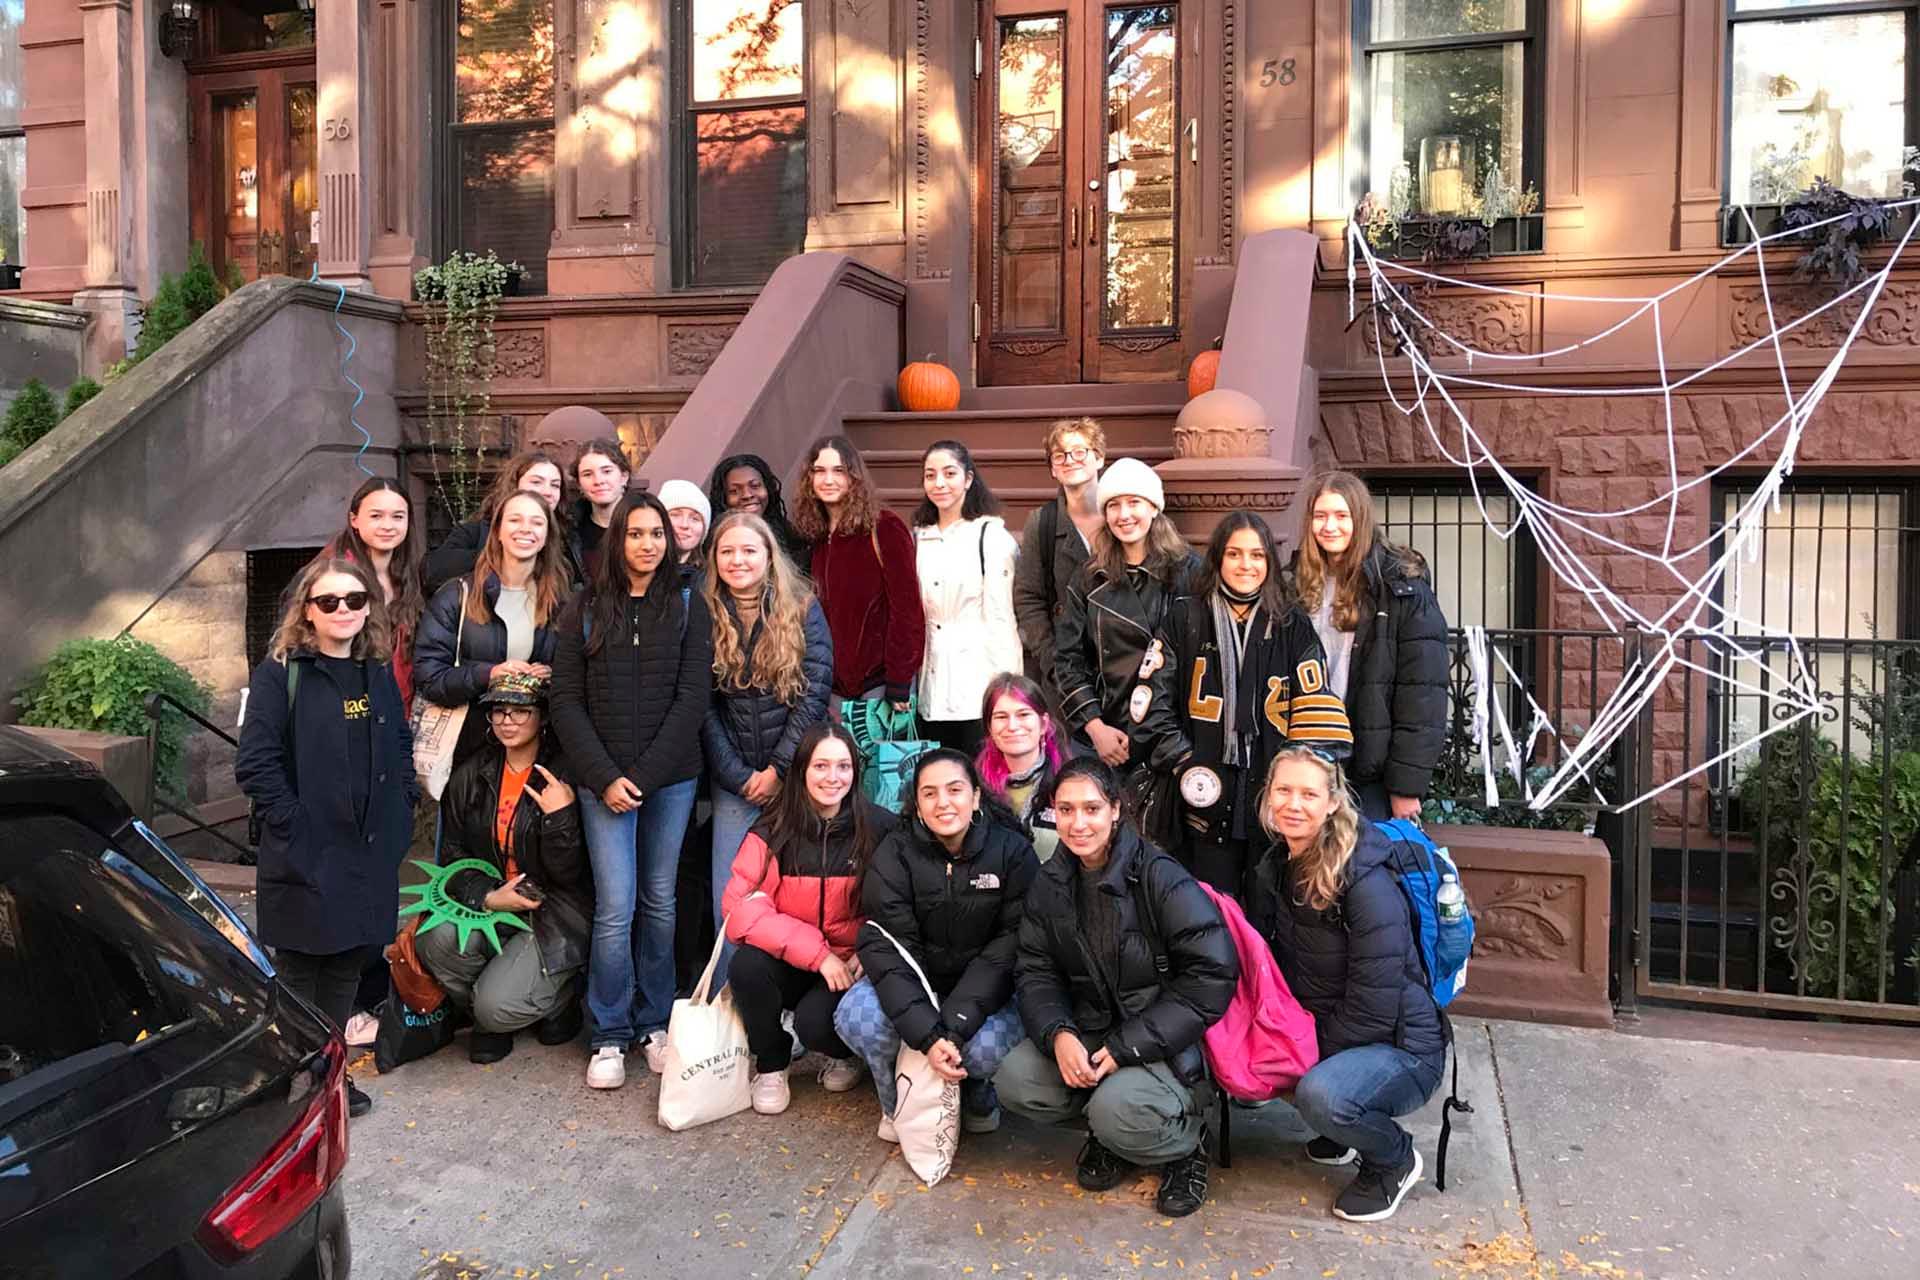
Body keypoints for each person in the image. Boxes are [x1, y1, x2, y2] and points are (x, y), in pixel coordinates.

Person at [997, 757, 1237, 1218]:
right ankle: (1110, 1132)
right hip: (1093, 1028)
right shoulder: (1051, 881)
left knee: (1116, 1109)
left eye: (1091, 808)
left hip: (1167, 1039)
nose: (1078, 823)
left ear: (1115, 809)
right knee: (1017, 1078)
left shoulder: (1158, 875)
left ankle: (1184, 1146)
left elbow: (1212, 976)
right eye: (1066, 810)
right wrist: (1058, 1033)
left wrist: (1129, 1046)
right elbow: (1035, 969)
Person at [235, 557, 415, 1119]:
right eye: (329, 601)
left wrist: (402, 806)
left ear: (369, 608)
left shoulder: (376, 671)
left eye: (355, 600)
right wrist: (294, 823)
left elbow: (400, 749)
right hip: (308, 848)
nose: (343, 611)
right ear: (307, 611)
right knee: (299, 969)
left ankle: (328, 1073)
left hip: (368, 849)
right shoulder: (281, 674)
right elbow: (256, 762)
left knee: (347, 964)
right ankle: (288, 1074)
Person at [550, 491, 715, 1090]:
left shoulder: (689, 605)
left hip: (669, 781)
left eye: (657, 535)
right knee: (615, 908)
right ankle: (609, 1033)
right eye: (636, 534)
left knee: (661, 901)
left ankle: (654, 1022)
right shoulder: (586, 608)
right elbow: (565, 699)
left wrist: (642, 778)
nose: (647, 545)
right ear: (617, 541)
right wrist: (604, 777)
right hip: (603, 783)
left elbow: (693, 697)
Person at [1243, 746, 1447, 1223]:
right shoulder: (1280, 862)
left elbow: (1374, 1006)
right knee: (1268, 1066)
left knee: (1321, 1094)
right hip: (1347, 1035)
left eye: (1309, 794)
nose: (1294, 804)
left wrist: (1302, 1054)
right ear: (1268, 797)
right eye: (1284, 791)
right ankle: (1339, 1130)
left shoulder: (1364, 879)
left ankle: (1392, 1158)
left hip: (1405, 1048)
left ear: (1333, 802)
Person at [1135, 512, 1356, 897]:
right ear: (1218, 558)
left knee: (1269, 907)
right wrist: (1185, 761)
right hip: (1202, 790)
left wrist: (1292, 782)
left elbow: (1315, 705)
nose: (1246, 565)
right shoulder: (1184, 617)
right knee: (1209, 907)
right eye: (1234, 554)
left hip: (1270, 791)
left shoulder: (1291, 624)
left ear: (1269, 562)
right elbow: (1149, 703)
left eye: (1257, 555)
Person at [833, 749, 1037, 1141]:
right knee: (861, 1020)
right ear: (917, 804)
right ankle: (896, 1099)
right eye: (929, 794)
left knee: (982, 1049)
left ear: (976, 796)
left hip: (986, 992)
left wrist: (955, 1027)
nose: (943, 802)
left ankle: (977, 1090)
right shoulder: (894, 852)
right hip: (916, 981)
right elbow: (888, 947)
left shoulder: (1012, 852)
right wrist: (927, 1034)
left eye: (955, 789)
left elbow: (1010, 947)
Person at [414, 670, 591, 1063]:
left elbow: (574, 875)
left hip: (550, 914)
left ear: (542, 717)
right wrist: (489, 897)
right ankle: (497, 1009)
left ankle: (549, 1002)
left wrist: (560, 819)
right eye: (498, 712)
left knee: (495, 1007)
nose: (507, 721)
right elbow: (454, 857)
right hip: (495, 902)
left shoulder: (566, 774)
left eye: (520, 711)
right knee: (435, 938)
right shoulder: (471, 775)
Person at [721, 723, 897, 1114]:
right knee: (747, 966)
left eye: (843, 766)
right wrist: (817, 956)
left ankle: (843, 1054)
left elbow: (898, 906)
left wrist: (868, 951)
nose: (832, 778)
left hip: (850, 963)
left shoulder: (880, 827)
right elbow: (740, 907)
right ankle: (771, 1063)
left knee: (815, 1025)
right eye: (821, 766)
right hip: (799, 958)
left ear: (855, 771)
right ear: (801, 770)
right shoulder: (773, 826)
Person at [701, 511, 833, 986]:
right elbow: (702, 705)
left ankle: (794, 1006)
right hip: (734, 779)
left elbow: (814, 693)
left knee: (798, 895)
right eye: (727, 551)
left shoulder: (801, 607)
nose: (738, 560)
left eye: (748, 550)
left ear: (768, 555)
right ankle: (728, 1005)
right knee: (731, 897)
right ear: (714, 559)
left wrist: (778, 768)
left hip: (795, 776)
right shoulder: (703, 611)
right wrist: (737, 774)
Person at [1286, 471, 1448, 822]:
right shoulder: (1294, 583)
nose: (1330, 526)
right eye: (1320, 516)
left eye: (1341, 516)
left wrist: (1405, 786)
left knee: (1365, 871)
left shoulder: (1401, 587)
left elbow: (1422, 695)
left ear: (1360, 519)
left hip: (1368, 768)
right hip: (1305, 757)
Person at [1053, 458, 1202, 768]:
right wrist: (1095, 728)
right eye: (1113, 505)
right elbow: (1068, 659)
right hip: (1108, 735)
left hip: (1174, 735)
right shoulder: (1088, 578)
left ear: (1154, 507)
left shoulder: (1190, 571)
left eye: (1134, 502)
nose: (1124, 515)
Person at [413, 490, 570, 765]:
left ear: (547, 535)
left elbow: (583, 673)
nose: (525, 529)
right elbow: (429, 677)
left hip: (540, 751)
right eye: (515, 520)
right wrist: (489, 674)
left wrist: (552, 675)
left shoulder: (563, 600)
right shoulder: (457, 595)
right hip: (469, 749)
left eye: (536, 522)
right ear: (497, 530)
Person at [792, 435, 925, 710]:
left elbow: (907, 609)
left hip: (878, 684)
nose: (828, 480)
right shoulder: (813, 535)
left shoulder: (884, 528)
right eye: (819, 471)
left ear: (854, 476)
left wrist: (900, 678)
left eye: (838, 471)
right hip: (830, 685)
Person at [912, 439, 1022, 754]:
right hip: (930, 681)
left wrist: (1008, 688)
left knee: (981, 774)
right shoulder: (918, 537)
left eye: (949, 473)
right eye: (930, 475)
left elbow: (1001, 618)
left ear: (968, 479)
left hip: (978, 681)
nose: (939, 483)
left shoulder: (990, 537)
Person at [1013, 417, 1106, 709]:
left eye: (1080, 451)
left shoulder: (1125, 516)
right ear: (1053, 468)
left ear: (1099, 457)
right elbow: (1029, 598)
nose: (1070, 460)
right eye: (1060, 455)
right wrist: (1053, 661)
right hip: (1065, 672)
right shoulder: (1042, 523)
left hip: (1124, 668)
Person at [423, 449, 582, 592]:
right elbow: (434, 571)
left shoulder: (569, 537)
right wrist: (503, 554)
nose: (548, 492)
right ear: (514, 486)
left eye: (555, 485)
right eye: (536, 482)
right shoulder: (475, 532)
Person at [976, 672, 1066, 863]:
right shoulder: (973, 787)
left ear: (1043, 724)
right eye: (1001, 717)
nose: (1013, 726)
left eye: (1023, 714)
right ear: (989, 728)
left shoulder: (1070, 782)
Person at [707, 451, 811, 571]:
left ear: (768, 488)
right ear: (723, 499)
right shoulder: (715, 545)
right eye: (734, 491)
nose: (747, 495)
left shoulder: (790, 537)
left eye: (755, 486)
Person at [573, 437, 632, 580]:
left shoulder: (647, 523)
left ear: (624, 477)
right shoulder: (571, 533)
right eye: (587, 474)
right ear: (579, 484)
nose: (598, 481)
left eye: (606, 471)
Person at [659, 478, 712, 581]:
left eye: (695, 519)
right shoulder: (642, 575)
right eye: (675, 515)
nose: (684, 525)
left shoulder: (711, 580)